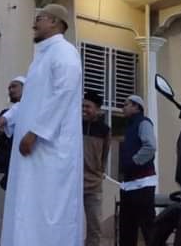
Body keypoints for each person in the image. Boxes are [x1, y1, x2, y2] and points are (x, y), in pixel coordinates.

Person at [0, 3, 84, 246]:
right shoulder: (41, 59)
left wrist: (36, 132)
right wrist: (9, 119)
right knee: (28, 206)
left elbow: (63, 94)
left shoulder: (64, 53)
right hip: (34, 150)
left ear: (55, 22)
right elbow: (32, 100)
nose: (34, 24)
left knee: (49, 211)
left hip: (51, 149)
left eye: (40, 18)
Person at [0, 75, 25, 244]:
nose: (10, 90)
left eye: (14, 86)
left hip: (24, 174)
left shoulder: (30, 111)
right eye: (9, 87)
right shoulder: (6, 114)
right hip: (4, 171)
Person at [118, 94, 157, 246]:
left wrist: (133, 162)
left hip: (142, 184)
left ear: (136, 107)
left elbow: (150, 147)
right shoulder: (130, 126)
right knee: (127, 228)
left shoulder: (143, 123)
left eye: (126, 104)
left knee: (148, 228)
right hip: (129, 184)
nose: (123, 107)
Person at [81, 90, 111, 246]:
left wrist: (100, 172)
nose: (84, 109)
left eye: (88, 106)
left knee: (95, 227)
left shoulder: (104, 130)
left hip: (93, 185)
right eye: (83, 106)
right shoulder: (74, 124)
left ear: (98, 109)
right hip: (72, 183)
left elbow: (105, 154)